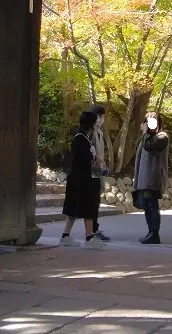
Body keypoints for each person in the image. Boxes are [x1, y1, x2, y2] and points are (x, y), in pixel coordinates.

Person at [59, 111, 107, 249]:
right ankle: (89, 238)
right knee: (88, 208)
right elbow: (84, 158)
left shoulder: (81, 137)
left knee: (73, 209)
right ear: (91, 123)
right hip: (83, 180)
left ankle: (65, 236)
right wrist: (95, 158)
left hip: (77, 179)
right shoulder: (81, 139)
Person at [133, 111, 169, 244]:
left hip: (153, 178)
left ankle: (155, 233)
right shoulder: (147, 138)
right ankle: (150, 232)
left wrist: (145, 133)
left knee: (152, 205)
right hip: (144, 178)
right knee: (147, 205)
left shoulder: (161, 137)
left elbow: (149, 147)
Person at [84, 104, 111, 242]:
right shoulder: (90, 132)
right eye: (100, 117)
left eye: (103, 117)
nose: (102, 119)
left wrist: (103, 164)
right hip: (90, 172)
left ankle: (94, 228)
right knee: (92, 203)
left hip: (98, 171)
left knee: (96, 202)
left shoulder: (99, 132)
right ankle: (92, 231)